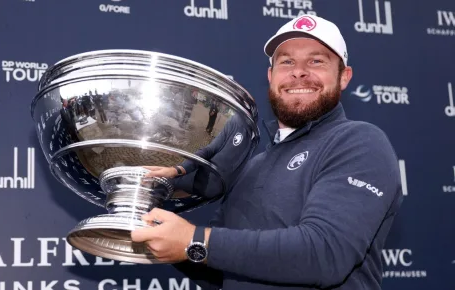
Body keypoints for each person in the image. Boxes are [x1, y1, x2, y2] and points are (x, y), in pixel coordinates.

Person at [131, 15, 403, 290]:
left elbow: (326, 254)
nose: (298, 72)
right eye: (286, 61)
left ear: (344, 77)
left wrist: (193, 239)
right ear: (271, 76)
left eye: (316, 61)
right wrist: (160, 234)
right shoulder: (252, 166)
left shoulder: (359, 142)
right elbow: (219, 273)